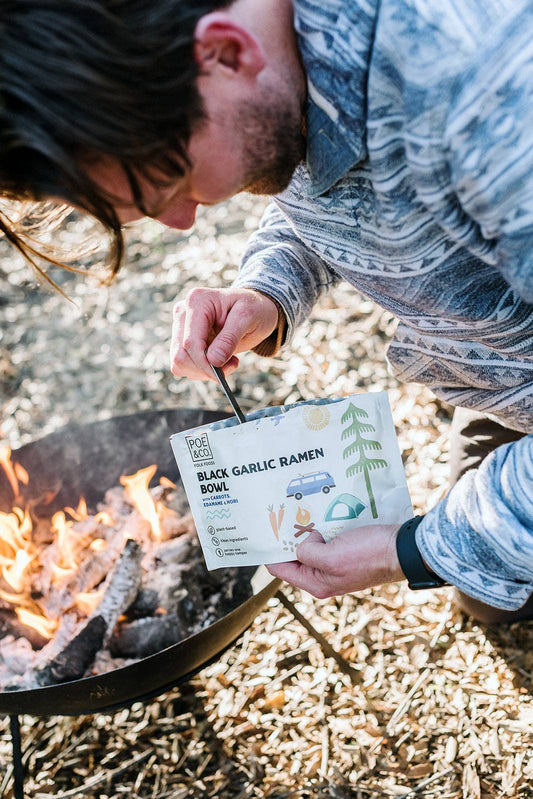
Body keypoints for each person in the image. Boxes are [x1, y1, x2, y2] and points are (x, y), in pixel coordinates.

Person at [1, 0, 532, 622]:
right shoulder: (275, 71)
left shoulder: (492, 99)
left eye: (175, 185)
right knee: (488, 592)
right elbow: (342, 193)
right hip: (499, 370)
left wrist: (412, 549)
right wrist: (268, 289)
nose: (183, 219)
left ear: (226, 51)